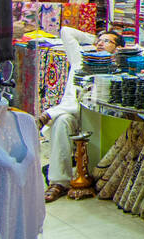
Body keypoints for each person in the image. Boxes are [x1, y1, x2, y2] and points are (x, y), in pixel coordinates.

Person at [39, 26, 123, 201]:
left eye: (107, 41)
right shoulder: (81, 60)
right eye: (100, 40)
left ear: (117, 48)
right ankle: (58, 183)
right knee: (62, 121)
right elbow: (66, 31)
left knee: (77, 105)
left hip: (94, 116)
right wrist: (95, 37)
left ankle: (49, 114)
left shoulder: (116, 68)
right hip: (73, 114)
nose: (101, 43)